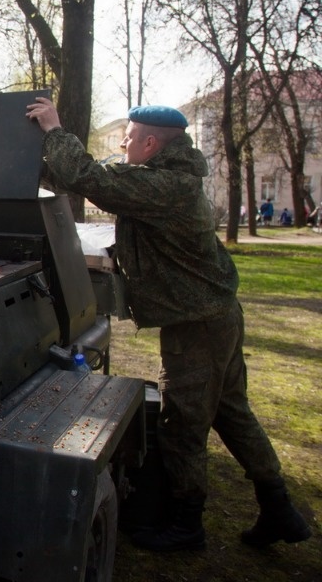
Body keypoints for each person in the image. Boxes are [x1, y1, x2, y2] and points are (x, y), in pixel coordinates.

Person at [24, 97, 310, 552]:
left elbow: (91, 179)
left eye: (129, 138)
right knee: (232, 413)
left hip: (197, 326)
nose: (123, 144)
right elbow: (81, 176)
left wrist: (55, 130)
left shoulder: (165, 185)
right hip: (213, 317)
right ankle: (279, 509)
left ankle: (187, 523)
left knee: (181, 425)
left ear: (151, 143)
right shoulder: (169, 178)